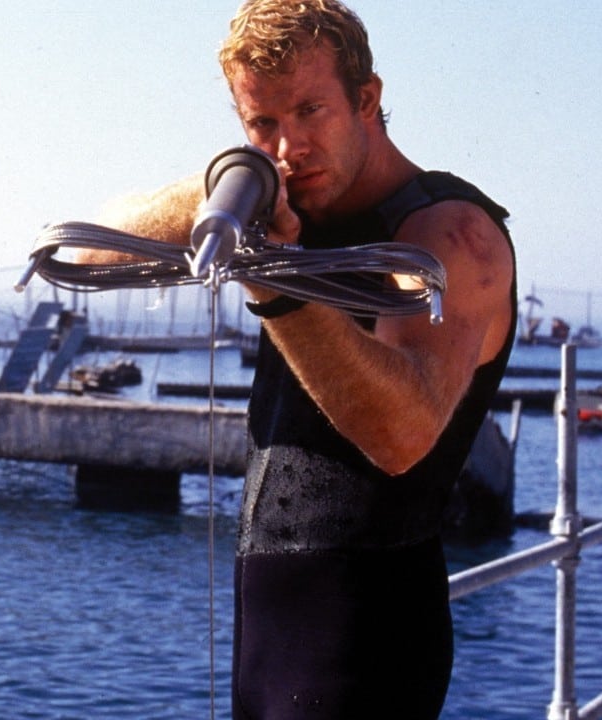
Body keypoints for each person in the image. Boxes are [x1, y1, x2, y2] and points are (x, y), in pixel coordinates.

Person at [86, 1, 516, 717]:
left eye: (311, 111)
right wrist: (231, 184)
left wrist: (271, 279)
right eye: (263, 123)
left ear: (366, 99)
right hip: (267, 633)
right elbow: (85, 252)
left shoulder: (448, 233)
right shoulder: (289, 208)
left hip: (367, 641)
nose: (290, 147)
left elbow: (402, 434)